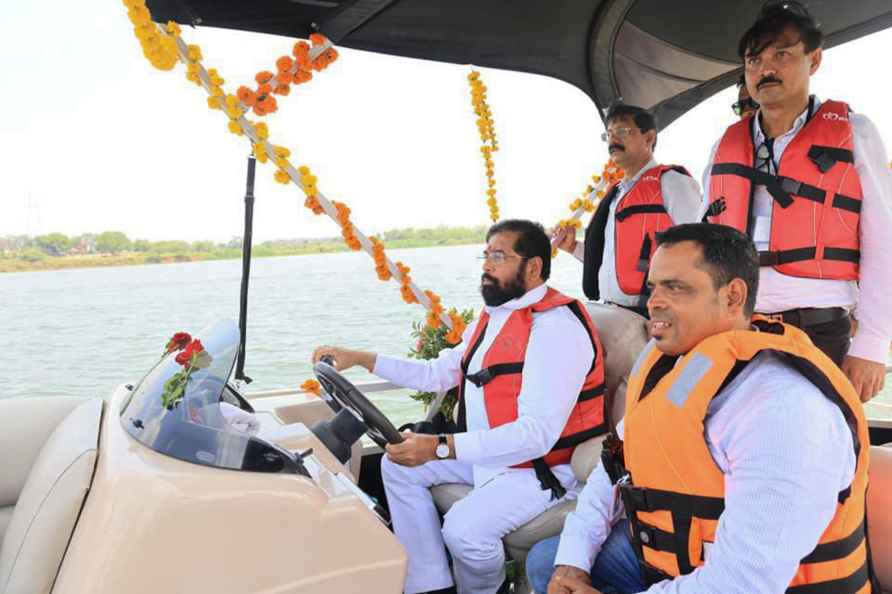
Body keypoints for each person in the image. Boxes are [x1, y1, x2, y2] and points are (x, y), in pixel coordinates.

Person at [526, 223, 873, 594]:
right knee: (550, 563)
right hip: (677, 561)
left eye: (675, 287)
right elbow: (613, 466)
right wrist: (573, 563)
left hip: (758, 585)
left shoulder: (785, 410)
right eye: (653, 287)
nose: (653, 302)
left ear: (733, 296)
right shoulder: (667, 364)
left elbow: (743, 583)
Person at [312, 219, 609, 594]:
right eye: (485, 255)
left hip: (541, 469)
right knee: (398, 465)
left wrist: (439, 446)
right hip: (492, 455)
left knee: (463, 531)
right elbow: (437, 373)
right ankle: (429, 583)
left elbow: (536, 436)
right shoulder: (495, 317)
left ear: (533, 267)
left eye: (498, 256)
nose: (486, 265)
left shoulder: (556, 328)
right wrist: (360, 358)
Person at [703, 0, 892, 401]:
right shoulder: (725, 144)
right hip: (732, 327)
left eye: (782, 54)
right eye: (754, 60)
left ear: (814, 59)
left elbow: (884, 241)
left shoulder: (856, 133)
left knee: (815, 451)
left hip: (819, 331)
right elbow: (701, 243)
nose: (765, 69)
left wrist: (872, 345)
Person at [553, 104, 702, 317]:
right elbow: (613, 262)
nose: (613, 140)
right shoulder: (616, 194)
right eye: (609, 134)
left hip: (654, 315)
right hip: (612, 311)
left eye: (622, 132)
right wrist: (573, 248)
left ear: (649, 138)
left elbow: (698, 252)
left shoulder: (672, 183)